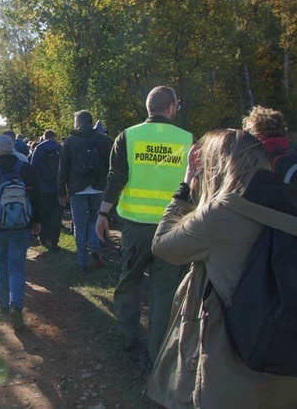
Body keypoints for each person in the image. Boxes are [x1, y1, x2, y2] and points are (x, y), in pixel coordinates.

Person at [147, 129, 297, 408]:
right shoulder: (290, 200)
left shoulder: (221, 213)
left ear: (217, 164)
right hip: (287, 367)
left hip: (232, 368)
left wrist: (185, 188)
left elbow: (164, 246)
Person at [95, 86, 193, 359]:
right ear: (171, 107)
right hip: (174, 228)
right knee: (165, 291)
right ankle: (158, 350)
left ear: (148, 108)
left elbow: (116, 178)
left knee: (129, 280)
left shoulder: (128, 136)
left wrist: (103, 214)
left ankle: (127, 335)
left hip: (136, 227)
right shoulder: (188, 140)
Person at [0, 134, 42, 331]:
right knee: (17, 266)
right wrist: (37, 221)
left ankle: (4, 304)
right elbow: (36, 196)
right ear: (13, 148)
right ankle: (16, 305)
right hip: (22, 226)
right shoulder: (25, 168)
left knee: (1, 263)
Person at [58, 110, 113, 272]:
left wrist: (61, 191)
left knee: (80, 225)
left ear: (79, 122)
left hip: (77, 188)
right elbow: (111, 166)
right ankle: (95, 248)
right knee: (96, 220)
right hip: (98, 187)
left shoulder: (70, 141)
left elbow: (63, 169)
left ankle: (82, 260)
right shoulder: (104, 140)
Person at [30, 130, 63, 251]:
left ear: (44, 137)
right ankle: (54, 242)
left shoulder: (39, 148)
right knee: (56, 216)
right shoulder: (60, 148)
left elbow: (33, 167)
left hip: (42, 188)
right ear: (55, 137)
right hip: (58, 188)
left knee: (44, 214)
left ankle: (43, 238)